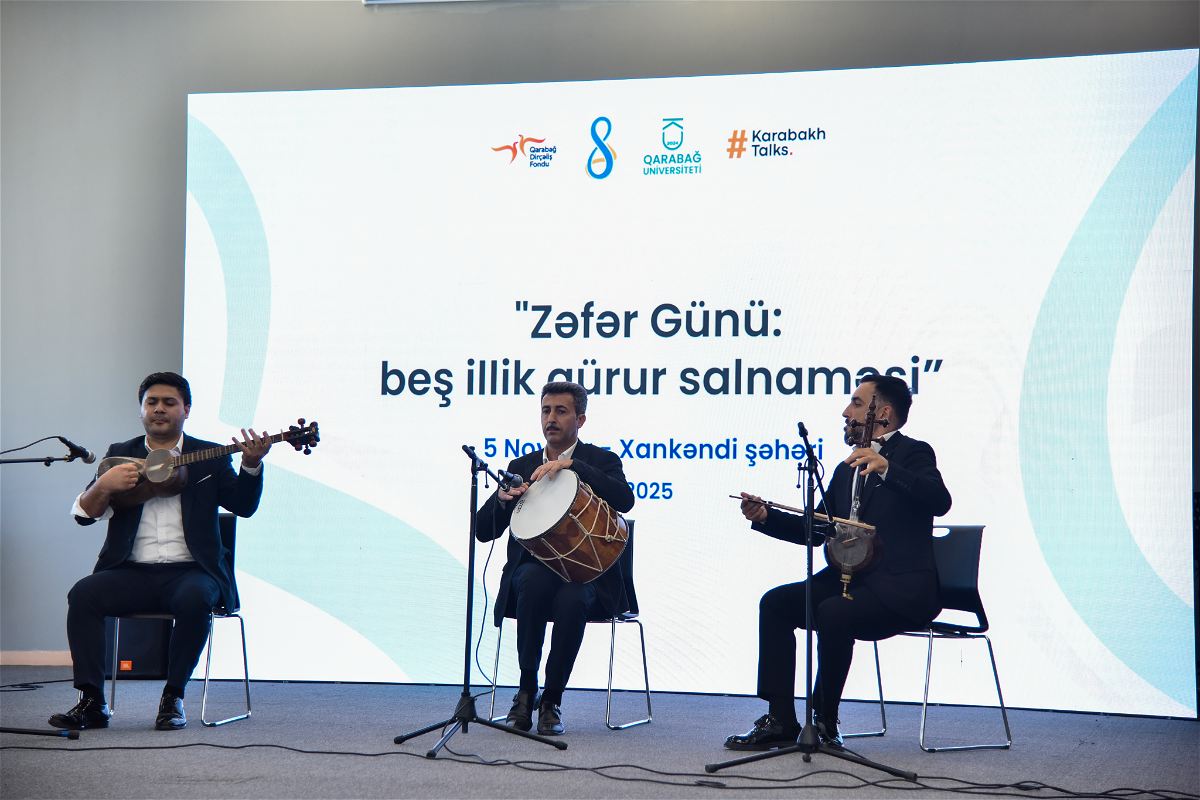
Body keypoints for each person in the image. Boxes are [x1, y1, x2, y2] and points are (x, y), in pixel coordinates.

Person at [724, 374, 952, 750]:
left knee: (833, 611)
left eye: (857, 404)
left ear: (884, 414)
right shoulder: (847, 468)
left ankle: (824, 721)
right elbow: (818, 529)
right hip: (851, 580)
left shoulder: (913, 453)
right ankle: (781, 719)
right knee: (776, 603)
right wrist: (766, 517)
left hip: (901, 590)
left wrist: (885, 467)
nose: (846, 412)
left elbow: (939, 501)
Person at [49, 372, 272, 731]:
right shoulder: (120, 453)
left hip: (191, 571)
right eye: (151, 402)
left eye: (169, 402)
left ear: (186, 410)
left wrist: (251, 465)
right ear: (141, 410)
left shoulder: (209, 457)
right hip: (131, 572)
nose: (159, 409)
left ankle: (173, 697)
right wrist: (103, 484)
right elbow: (84, 516)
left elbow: (243, 507)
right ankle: (92, 702)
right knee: (84, 594)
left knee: (196, 597)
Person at [477, 382, 635, 736]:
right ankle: (525, 691)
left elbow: (625, 500)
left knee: (573, 597)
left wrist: (576, 467)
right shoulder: (522, 465)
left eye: (561, 411)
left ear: (580, 419)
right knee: (533, 580)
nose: (551, 418)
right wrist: (502, 499)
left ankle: (551, 700)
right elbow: (483, 531)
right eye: (546, 410)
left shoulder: (602, 461)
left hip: (588, 576)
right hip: (533, 574)